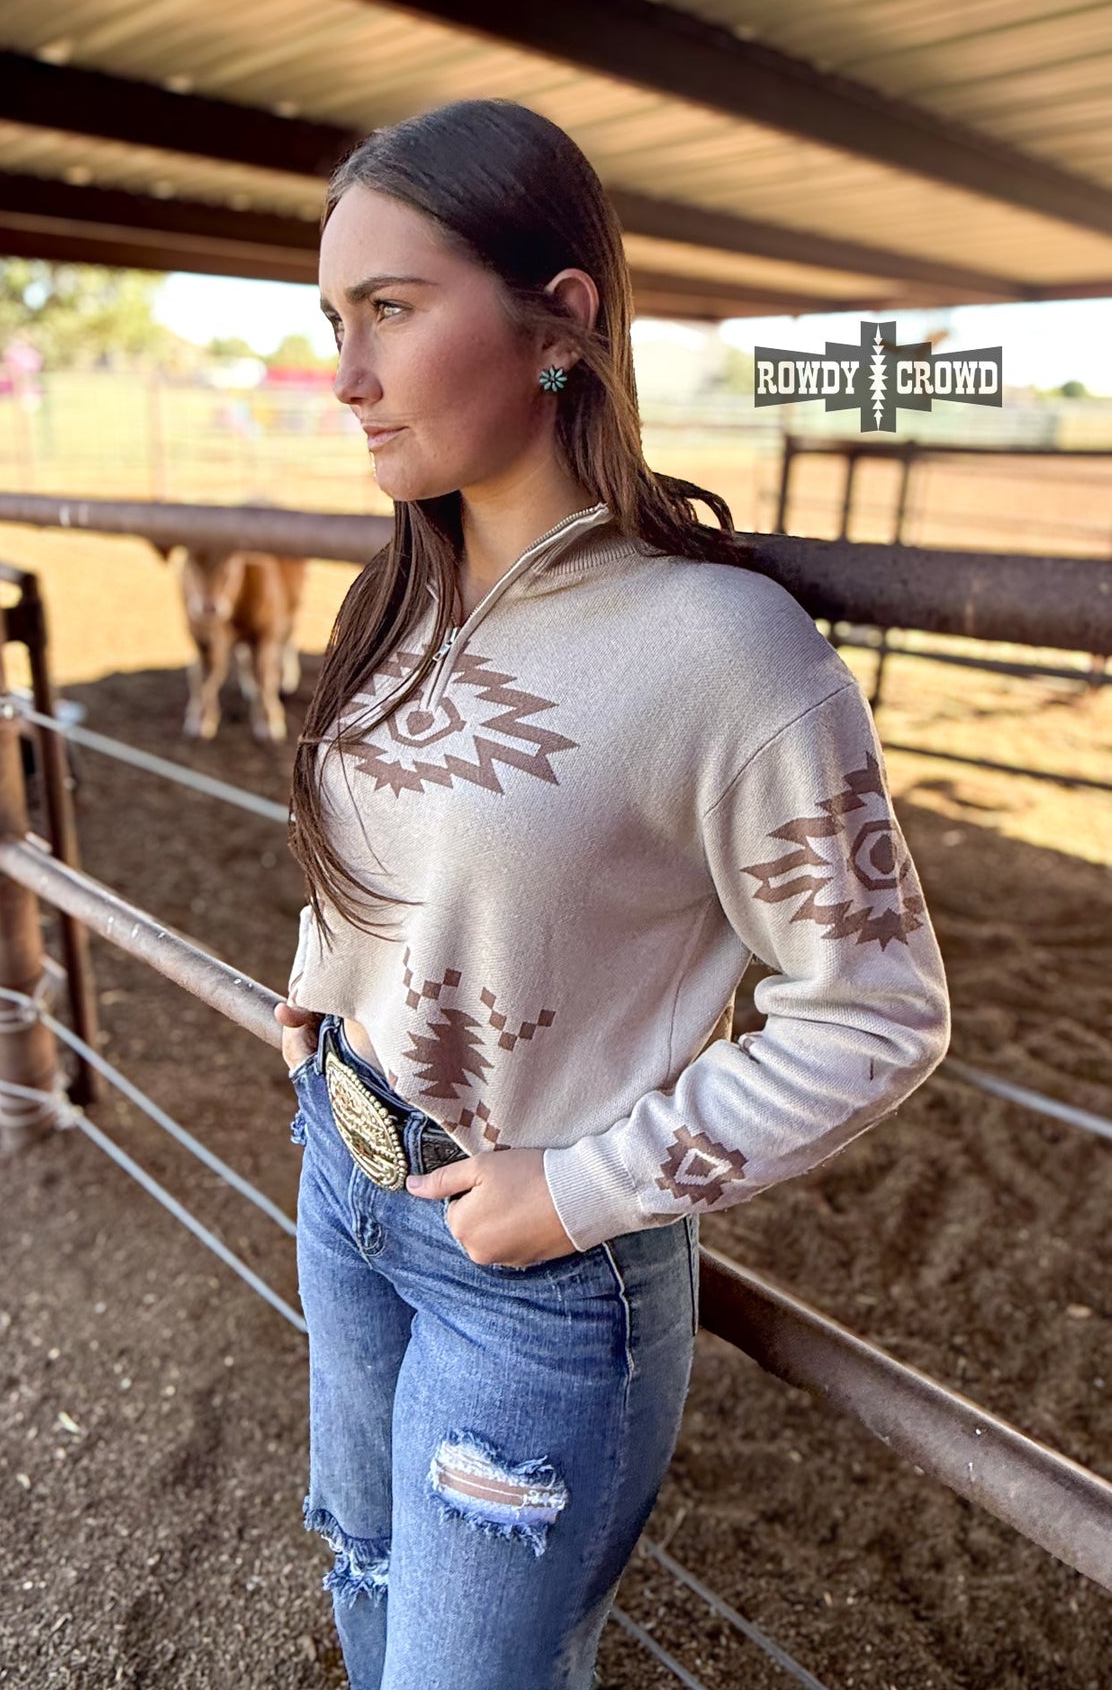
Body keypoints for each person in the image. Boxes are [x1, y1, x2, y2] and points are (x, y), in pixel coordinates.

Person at [274, 98, 950, 1690]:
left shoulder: (723, 652)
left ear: (561, 320)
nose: (346, 375)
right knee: (360, 1564)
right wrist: (323, 984)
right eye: (332, 322)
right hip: (342, 1176)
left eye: (390, 309)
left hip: (536, 1270)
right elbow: (400, 833)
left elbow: (879, 1013)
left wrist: (581, 1191)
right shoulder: (405, 595)